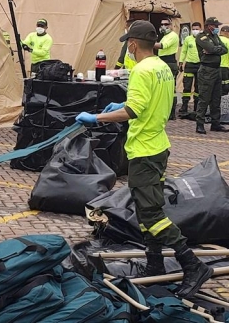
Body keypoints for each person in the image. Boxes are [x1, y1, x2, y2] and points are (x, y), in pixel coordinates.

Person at [75, 20, 213, 299]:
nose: (128, 46)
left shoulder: (140, 69)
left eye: (129, 43)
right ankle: (154, 263)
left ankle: (192, 264)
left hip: (144, 150)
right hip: (159, 146)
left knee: (150, 213)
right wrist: (123, 103)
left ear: (134, 44)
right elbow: (148, 102)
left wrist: (98, 118)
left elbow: (134, 110)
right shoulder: (162, 67)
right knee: (147, 207)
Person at [195, 17, 229, 134]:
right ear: (209, 26)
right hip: (206, 70)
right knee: (204, 98)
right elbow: (209, 48)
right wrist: (214, 49)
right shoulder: (201, 36)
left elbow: (224, 49)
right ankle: (200, 124)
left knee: (216, 98)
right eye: (215, 26)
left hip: (217, 69)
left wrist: (214, 49)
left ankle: (216, 123)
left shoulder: (215, 36)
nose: (217, 28)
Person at [154, 19, 179, 120]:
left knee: (171, 89)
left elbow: (162, 46)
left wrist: (147, 43)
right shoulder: (165, 36)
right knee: (163, 88)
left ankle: (171, 113)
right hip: (163, 62)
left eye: (166, 24)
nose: (164, 26)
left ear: (172, 25)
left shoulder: (173, 36)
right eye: (162, 24)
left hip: (170, 62)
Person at [178, 22, 201, 117]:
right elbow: (183, 51)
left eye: (197, 29)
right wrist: (180, 62)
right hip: (189, 65)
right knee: (187, 87)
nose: (195, 31)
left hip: (200, 65)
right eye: (194, 29)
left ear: (200, 29)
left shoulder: (203, 39)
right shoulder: (188, 39)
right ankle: (184, 106)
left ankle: (197, 106)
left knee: (198, 87)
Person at [220, 26, 229, 96]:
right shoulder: (227, 41)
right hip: (224, 67)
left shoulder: (214, 40)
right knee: (225, 86)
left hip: (213, 67)